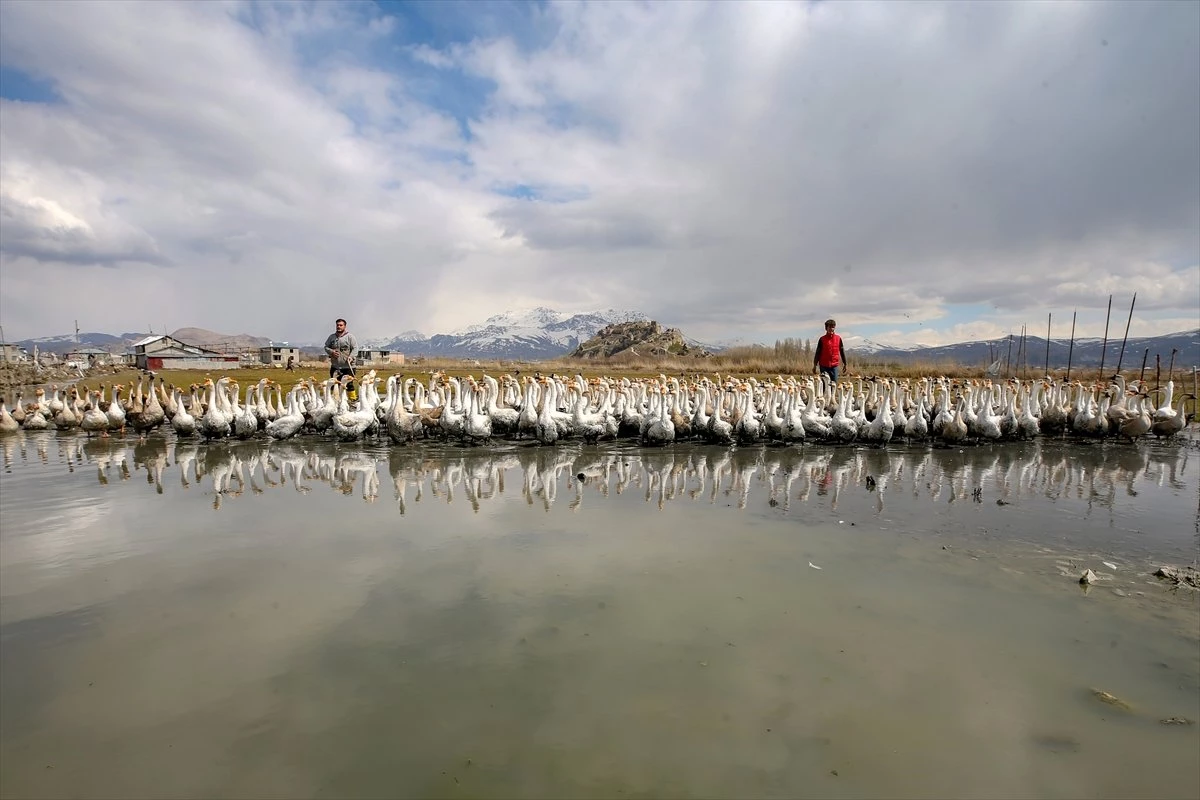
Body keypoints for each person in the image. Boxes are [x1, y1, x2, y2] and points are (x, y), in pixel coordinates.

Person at [324, 318, 359, 404]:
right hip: (335, 366)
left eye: (341, 325)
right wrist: (331, 352)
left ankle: (353, 401)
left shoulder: (350, 337)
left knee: (349, 384)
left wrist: (351, 356)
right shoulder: (331, 337)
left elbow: (355, 348)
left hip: (348, 366)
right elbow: (326, 347)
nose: (339, 327)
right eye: (337, 325)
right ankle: (337, 402)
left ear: (345, 326)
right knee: (335, 384)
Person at [813, 318, 848, 383]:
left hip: (834, 366)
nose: (831, 329)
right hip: (824, 366)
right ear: (826, 328)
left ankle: (832, 393)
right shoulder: (822, 339)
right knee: (824, 385)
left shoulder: (838, 338)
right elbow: (818, 353)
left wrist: (845, 364)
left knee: (834, 384)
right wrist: (815, 365)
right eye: (830, 327)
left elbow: (842, 351)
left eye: (833, 327)